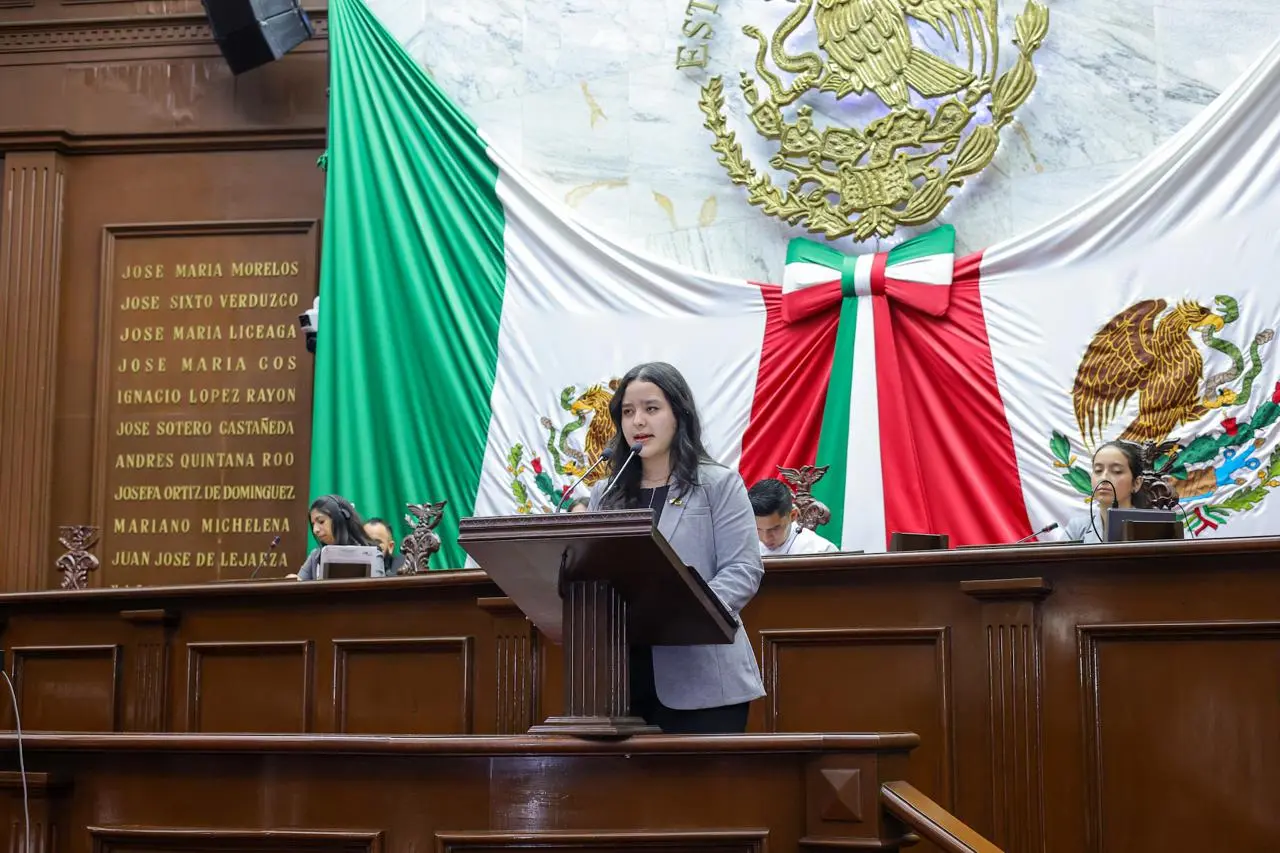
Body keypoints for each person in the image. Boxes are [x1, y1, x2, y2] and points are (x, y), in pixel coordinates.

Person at [589, 361, 765, 734]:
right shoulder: (605, 495)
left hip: (704, 680)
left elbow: (743, 570)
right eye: (628, 412)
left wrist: (683, 614)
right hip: (620, 680)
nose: (638, 422)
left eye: (651, 409)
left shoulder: (718, 484)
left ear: (679, 415)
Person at [1063, 441, 1150, 543]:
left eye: (1117, 471)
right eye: (1098, 470)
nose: (1104, 478)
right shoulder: (1077, 528)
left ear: (1136, 483)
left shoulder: (1152, 527)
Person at [297, 494, 386, 579]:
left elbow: (376, 591)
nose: (315, 530)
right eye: (313, 524)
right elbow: (300, 582)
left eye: (321, 522)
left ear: (340, 519)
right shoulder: (315, 556)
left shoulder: (372, 554)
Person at [748, 478, 839, 556]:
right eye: (758, 529)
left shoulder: (821, 552)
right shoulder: (744, 550)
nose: (766, 538)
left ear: (793, 515)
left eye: (774, 529)